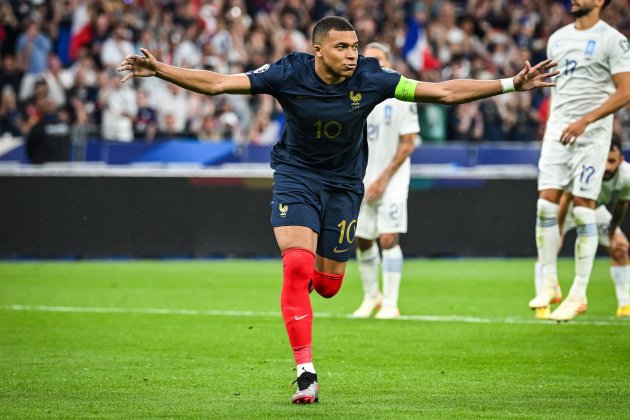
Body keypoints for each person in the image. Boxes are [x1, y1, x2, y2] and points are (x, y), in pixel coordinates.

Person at [118, 16, 557, 404]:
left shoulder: (373, 77)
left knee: (327, 286)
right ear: (318, 50)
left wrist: (510, 85)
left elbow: (441, 92)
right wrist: (160, 70)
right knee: (296, 267)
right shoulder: (287, 71)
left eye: (355, 47)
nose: (352, 55)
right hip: (296, 176)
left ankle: (301, 299)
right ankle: (305, 374)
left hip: (346, 185)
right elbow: (217, 83)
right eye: (342, 47)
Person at [528, 0, 630, 322]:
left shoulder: (612, 39)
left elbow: (626, 90)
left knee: (584, 206)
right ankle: (549, 283)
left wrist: (586, 120)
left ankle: (579, 292)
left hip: (592, 135)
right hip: (558, 131)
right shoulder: (556, 38)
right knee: (546, 204)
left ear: (600, 1)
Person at [351, 42, 420, 319]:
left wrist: (382, 179)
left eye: (378, 60)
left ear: (389, 63)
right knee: (363, 239)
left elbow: (408, 143)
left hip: (391, 179)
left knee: (389, 238)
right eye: (368, 60)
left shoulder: (400, 95)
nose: (372, 65)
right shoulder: (356, 96)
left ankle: (391, 303)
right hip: (362, 178)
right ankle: (371, 298)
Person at [534, 137, 630, 319]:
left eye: (612, 161)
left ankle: (625, 306)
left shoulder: (627, 175)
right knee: (549, 248)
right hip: (569, 208)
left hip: (594, 210)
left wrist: (612, 232)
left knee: (620, 248)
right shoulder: (587, 166)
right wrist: (559, 230)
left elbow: (621, 205)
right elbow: (566, 198)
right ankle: (543, 306)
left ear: (621, 159)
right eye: (605, 161)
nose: (608, 167)